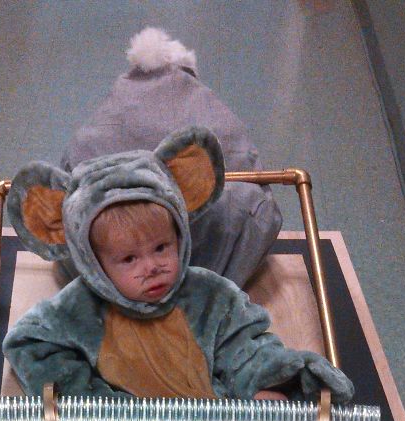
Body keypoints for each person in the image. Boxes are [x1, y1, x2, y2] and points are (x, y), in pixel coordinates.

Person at [2, 126, 354, 405]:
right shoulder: (80, 306)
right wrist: (90, 402)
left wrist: (261, 386)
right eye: (129, 259)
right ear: (94, 264)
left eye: (161, 248)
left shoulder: (208, 294)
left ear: (180, 236)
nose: (152, 267)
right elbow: (29, 343)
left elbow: (244, 348)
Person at [59, 26, 283, 290]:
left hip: (107, 247)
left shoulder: (108, 113)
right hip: (217, 238)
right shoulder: (210, 109)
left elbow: (75, 161)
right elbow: (241, 158)